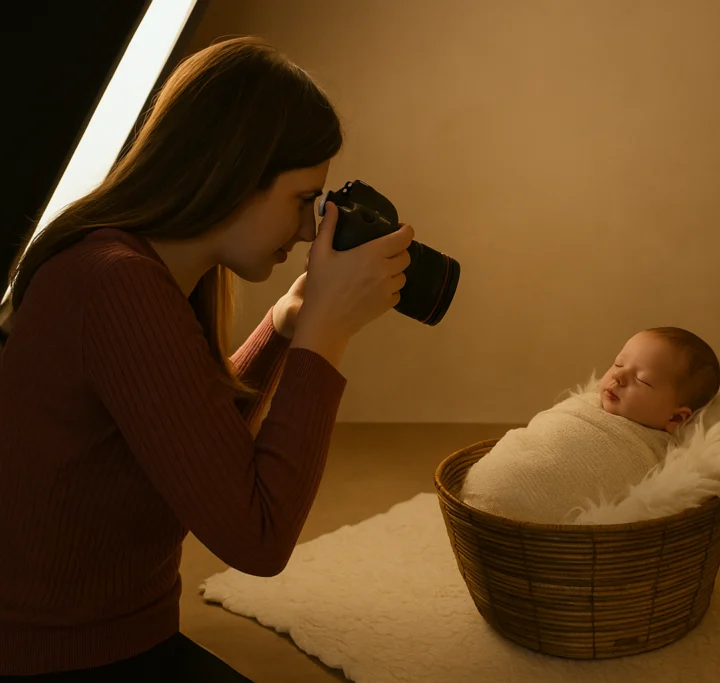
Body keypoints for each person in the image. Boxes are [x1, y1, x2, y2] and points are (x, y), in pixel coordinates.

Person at [0, 37, 413, 678]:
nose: (310, 229)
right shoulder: (116, 284)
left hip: (111, 636)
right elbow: (257, 537)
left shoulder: (141, 266)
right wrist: (326, 337)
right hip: (60, 658)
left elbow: (200, 445)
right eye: (304, 200)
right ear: (232, 174)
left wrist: (285, 324)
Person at [459, 327, 720, 523]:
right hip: (493, 482)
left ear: (675, 418)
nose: (618, 376)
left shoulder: (656, 451)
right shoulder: (585, 405)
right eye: (618, 364)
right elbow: (543, 435)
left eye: (642, 380)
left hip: (528, 516)